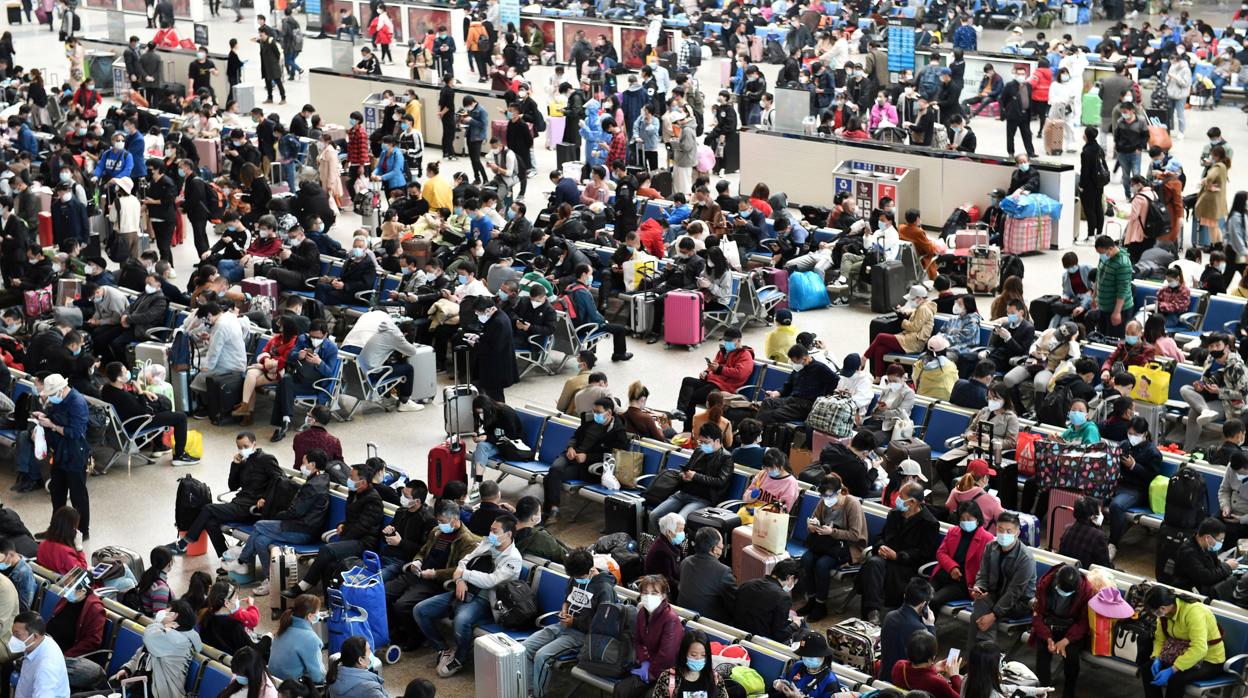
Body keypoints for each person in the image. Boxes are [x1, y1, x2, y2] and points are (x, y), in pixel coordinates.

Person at [413, 514, 523, 678]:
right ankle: (443, 649)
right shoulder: (487, 544)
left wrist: (464, 574)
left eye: (495, 531)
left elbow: (491, 581)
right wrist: (459, 581)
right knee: (420, 610)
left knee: (461, 620)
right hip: (464, 589)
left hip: (486, 600)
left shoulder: (513, 559)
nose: (491, 533)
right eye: (491, 530)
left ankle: (460, 658)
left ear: (508, 534)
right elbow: (464, 561)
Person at [229, 449, 330, 596]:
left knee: (259, 525)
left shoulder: (313, 486)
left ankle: (242, 561)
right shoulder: (320, 479)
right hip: (302, 526)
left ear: (313, 465)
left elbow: (295, 512)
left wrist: (276, 516)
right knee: (261, 541)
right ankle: (271, 580)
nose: (301, 465)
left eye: (304, 462)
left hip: (303, 531)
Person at [168, 433, 282, 556]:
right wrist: (235, 465)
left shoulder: (266, 459)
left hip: (252, 508)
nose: (242, 450)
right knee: (209, 522)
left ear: (254, 444)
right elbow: (232, 486)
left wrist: (265, 498)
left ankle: (184, 543)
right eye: (239, 447)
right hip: (239, 505)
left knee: (208, 508)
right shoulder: (244, 462)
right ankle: (225, 556)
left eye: (246, 446)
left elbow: (281, 481)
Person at [523, 547, 616, 697]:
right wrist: (564, 610)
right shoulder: (575, 577)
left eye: (579, 576)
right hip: (561, 626)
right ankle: (528, 690)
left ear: (591, 569)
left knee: (542, 656)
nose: (576, 579)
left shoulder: (604, 589)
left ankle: (537, 695)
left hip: (581, 636)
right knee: (524, 648)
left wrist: (574, 622)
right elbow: (567, 598)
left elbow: (602, 624)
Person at [284, 459, 385, 595]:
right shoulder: (355, 493)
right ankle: (329, 602)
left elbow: (361, 527)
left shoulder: (373, 501)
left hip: (364, 543)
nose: (348, 479)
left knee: (327, 550)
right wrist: (341, 524)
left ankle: (305, 585)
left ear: (363, 483)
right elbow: (351, 519)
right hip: (352, 538)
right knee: (329, 564)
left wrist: (341, 540)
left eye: (351, 477)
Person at [856, 481, 939, 624]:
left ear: (912, 502)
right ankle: (872, 612)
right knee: (873, 563)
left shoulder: (929, 523)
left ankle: (873, 614)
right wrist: (881, 546)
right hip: (885, 559)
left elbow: (924, 553)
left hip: (906, 566)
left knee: (877, 569)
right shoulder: (894, 514)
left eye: (901, 496)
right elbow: (881, 537)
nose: (897, 499)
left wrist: (897, 556)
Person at [543, 397, 630, 523]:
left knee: (549, 477)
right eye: (594, 411)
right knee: (555, 469)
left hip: (587, 466)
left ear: (609, 413)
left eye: (598, 412)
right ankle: (552, 510)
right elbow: (575, 436)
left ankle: (551, 511)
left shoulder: (618, 432)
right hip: (571, 455)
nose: (595, 414)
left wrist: (587, 457)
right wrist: (570, 447)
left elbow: (613, 455)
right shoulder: (589, 421)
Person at [967, 511, 1036, 647]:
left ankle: (976, 657)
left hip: (1018, 603)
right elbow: (983, 574)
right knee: (981, 604)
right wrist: (979, 587)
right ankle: (983, 656)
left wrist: (993, 616)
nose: (1004, 534)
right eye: (1000, 529)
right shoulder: (991, 547)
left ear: (1017, 533)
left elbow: (1014, 592)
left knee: (980, 612)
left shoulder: (1025, 558)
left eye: (1009, 531)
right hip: (995, 595)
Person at [1142, 585, 1225, 698]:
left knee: (1176, 679)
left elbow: (1200, 648)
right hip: (1183, 653)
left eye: (1154, 611)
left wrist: (1172, 669)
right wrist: (1156, 657)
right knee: (1148, 669)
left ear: (1162, 608)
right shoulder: (1164, 614)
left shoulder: (1194, 612)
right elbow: (1160, 638)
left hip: (1209, 660)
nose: (1154, 615)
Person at [647, 423, 733, 531]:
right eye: (700, 442)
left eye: (706, 442)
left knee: (679, 522)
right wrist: (683, 476)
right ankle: (662, 544)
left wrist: (696, 476)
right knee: (654, 515)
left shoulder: (726, 458)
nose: (702, 445)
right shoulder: (699, 451)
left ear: (717, 441)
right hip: (683, 493)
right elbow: (685, 468)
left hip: (702, 499)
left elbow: (720, 481)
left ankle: (672, 546)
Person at [111, 600, 202, 698]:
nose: (163, 614)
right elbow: (141, 654)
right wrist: (127, 669)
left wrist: (160, 623)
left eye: (167, 613)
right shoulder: (165, 634)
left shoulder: (178, 640)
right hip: (143, 686)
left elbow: (149, 636)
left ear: (175, 617)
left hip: (158, 693)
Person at [612, 575, 683, 698]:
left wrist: (651, 672)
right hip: (648, 665)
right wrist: (645, 662)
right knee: (621, 690)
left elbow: (667, 655)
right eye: (645, 593)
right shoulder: (642, 613)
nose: (649, 597)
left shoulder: (671, 619)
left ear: (663, 596)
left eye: (654, 593)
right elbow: (638, 641)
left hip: (668, 672)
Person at [38, 375, 91, 538]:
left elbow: (75, 432)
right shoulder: (59, 400)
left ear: (61, 390)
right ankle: (56, 530)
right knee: (57, 492)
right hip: (60, 450)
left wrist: (52, 426)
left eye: (51, 395)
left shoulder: (77, 403)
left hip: (75, 452)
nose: (51, 398)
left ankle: (82, 530)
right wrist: (43, 417)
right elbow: (54, 417)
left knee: (78, 494)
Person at [1030, 563, 1092, 698]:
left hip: (1072, 628)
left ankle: (1069, 693)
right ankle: (1043, 691)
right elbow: (1038, 615)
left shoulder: (1086, 591)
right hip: (1049, 624)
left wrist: (1066, 640)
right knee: (1043, 651)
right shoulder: (1045, 584)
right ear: (1056, 581)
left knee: (1071, 654)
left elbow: (1084, 622)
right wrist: (1048, 638)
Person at [1181, 332, 1248, 451]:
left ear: (1226, 347)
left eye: (1218, 345)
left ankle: (1187, 450)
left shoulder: (1237, 366)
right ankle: (1205, 411)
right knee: (1185, 389)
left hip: (1228, 405)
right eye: (1211, 346)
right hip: (1207, 398)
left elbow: (1243, 394)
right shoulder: (1210, 359)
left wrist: (1219, 392)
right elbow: (1205, 379)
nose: (1214, 349)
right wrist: (1200, 386)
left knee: (1193, 412)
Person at [673, 328, 755, 422]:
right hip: (712, 381)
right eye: (726, 340)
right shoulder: (723, 352)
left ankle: (687, 428)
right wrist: (706, 372)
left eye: (729, 341)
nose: (727, 343)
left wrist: (719, 369)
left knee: (692, 397)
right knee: (687, 380)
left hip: (724, 387)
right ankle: (680, 410)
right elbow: (714, 364)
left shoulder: (745, 355)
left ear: (739, 340)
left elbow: (740, 373)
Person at [757, 344, 839, 426]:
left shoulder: (820, 368)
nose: (793, 364)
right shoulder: (797, 369)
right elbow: (787, 386)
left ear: (804, 358)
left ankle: (754, 431)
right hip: (792, 400)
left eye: (794, 361)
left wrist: (824, 395)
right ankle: (756, 430)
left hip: (806, 405)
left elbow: (836, 381)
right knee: (767, 402)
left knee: (773, 414)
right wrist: (776, 393)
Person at [878, 577, 937, 682]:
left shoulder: (889, 616)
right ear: (924, 604)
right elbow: (929, 657)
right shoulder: (920, 629)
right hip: (903, 682)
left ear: (905, 596)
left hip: (884, 676)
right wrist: (931, 626)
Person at [732, 558, 801, 642]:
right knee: (801, 623)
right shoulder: (783, 598)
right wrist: (795, 625)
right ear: (790, 578)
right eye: (794, 582)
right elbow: (780, 634)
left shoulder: (747, 584)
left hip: (737, 633)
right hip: (759, 641)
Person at [678, 527, 736, 622]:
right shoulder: (723, 571)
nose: (722, 549)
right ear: (714, 549)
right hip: (708, 624)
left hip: (684, 618)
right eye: (721, 546)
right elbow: (733, 604)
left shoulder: (685, 562)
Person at [648, 629, 727, 698]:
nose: (699, 659)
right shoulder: (668, 678)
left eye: (703, 655)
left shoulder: (715, 679)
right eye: (693, 655)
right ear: (684, 654)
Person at [1173, 517, 1238, 598]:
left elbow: (1215, 566)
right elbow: (1205, 576)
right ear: (1207, 538)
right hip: (1191, 593)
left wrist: (1226, 566)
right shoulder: (1188, 552)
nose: (1221, 543)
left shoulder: (1207, 547)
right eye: (1220, 540)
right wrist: (1227, 566)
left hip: (1205, 587)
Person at [963, 640, 1051, 698]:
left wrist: (1035, 690)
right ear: (993, 666)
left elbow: (1006, 688)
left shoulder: (968, 679)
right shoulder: (994, 695)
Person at [11, 612, 70, 698]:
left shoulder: (45, 668)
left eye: (17, 635)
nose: (13, 639)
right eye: (13, 634)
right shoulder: (40, 641)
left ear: (35, 636)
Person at [772, 632, 843, 698]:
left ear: (824, 656)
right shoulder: (798, 666)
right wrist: (778, 684)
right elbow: (783, 679)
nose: (808, 659)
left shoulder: (830, 681)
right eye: (805, 655)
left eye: (813, 656)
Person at [1196, 145, 1230, 246]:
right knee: (1215, 225)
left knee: (1212, 226)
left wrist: (1205, 182)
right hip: (1217, 200)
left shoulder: (1218, 167)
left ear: (1216, 156)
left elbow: (1210, 177)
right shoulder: (1223, 166)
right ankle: (1219, 245)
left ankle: (1214, 245)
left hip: (1211, 202)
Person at [645, 512, 685, 595]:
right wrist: (685, 586)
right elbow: (667, 580)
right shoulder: (662, 552)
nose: (683, 533)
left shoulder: (670, 542)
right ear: (670, 533)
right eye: (681, 530)